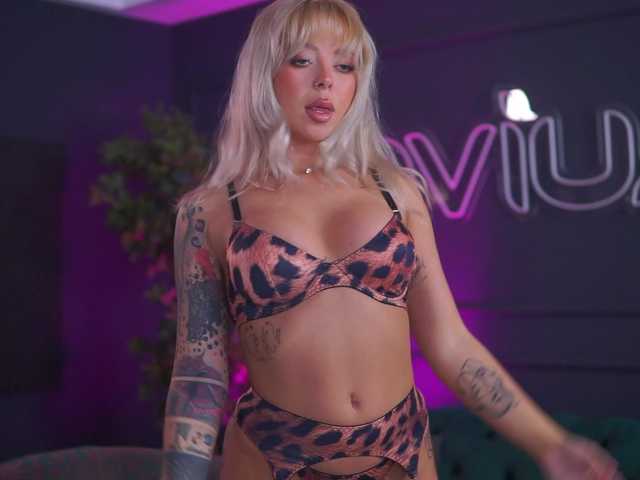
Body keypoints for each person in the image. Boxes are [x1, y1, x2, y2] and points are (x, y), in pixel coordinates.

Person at [160, 1, 624, 479]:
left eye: (345, 65)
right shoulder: (210, 211)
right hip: (272, 458)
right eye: (302, 60)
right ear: (264, 73)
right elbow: (199, 374)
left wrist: (549, 444)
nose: (326, 80)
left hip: (401, 456)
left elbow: (450, 343)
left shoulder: (396, 191)